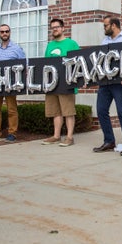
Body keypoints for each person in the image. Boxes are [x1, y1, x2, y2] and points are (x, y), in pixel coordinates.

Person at [93, 16, 122, 156]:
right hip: (105, 82)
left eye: (105, 25)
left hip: (121, 83)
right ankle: (109, 141)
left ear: (113, 25)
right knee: (101, 110)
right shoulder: (104, 41)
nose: (104, 28)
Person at [41, 18, 80, 147]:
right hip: (52, 83)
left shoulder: (71, 43)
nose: (55, 29)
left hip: (67, 83)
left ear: (63, 28)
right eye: (52, 27)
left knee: (68, 111)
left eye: (57, 27)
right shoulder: (50, 45)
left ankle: (69, 137)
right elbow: (45, 64)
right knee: (55, 111)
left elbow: (79, 62)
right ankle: (56, 136)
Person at [0, 24, 26, 143]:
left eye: (7, 31)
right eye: (2, 31)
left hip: (11, 83)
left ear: (10, 33)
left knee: (12, 109)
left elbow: (25, 63)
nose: (4, 33)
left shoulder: (16, 48)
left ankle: (12, 133)